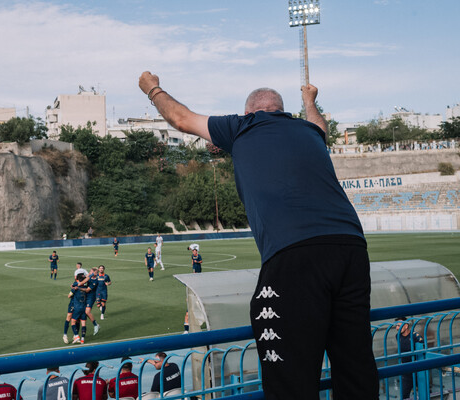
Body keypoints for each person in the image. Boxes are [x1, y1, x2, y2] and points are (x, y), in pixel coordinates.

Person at [138, 71, 378, 399]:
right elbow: (321, 127)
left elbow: (180, 119)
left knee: (289, 376)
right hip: (350, 247)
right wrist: (310, 101)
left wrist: (151, 88)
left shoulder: (243, 125)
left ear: (250, 112)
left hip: (295, 253)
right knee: (355, 366)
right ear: (281, 109)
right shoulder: (307, 130)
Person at [396, 317, 424, 399]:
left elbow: (422, 351)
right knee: (404, 395)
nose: (397, 328)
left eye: (399, 325)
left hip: (417, 368)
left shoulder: (416, 337)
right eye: (396, 326)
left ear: (406, 326)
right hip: (406, 369)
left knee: (425, 392)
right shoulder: (398, 336)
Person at [70, 273, 91, 344]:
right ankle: (82, 339)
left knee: (73, 322)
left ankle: (76, 336)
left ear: (77, 279)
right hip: (84, 308)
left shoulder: (75, 287)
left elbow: (69, 296)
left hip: (77, 308)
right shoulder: (85, 287)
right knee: (83, 324)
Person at [85, 267, 101, 335]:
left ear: (95, 273)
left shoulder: (96, 280)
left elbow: (87, 290)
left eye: (91, 272)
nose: (90, 272)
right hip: (85, 297)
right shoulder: (89, 277)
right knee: (84, 313)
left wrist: (77, 288)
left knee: (87, 312)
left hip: (91, 297)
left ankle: (95, 325)